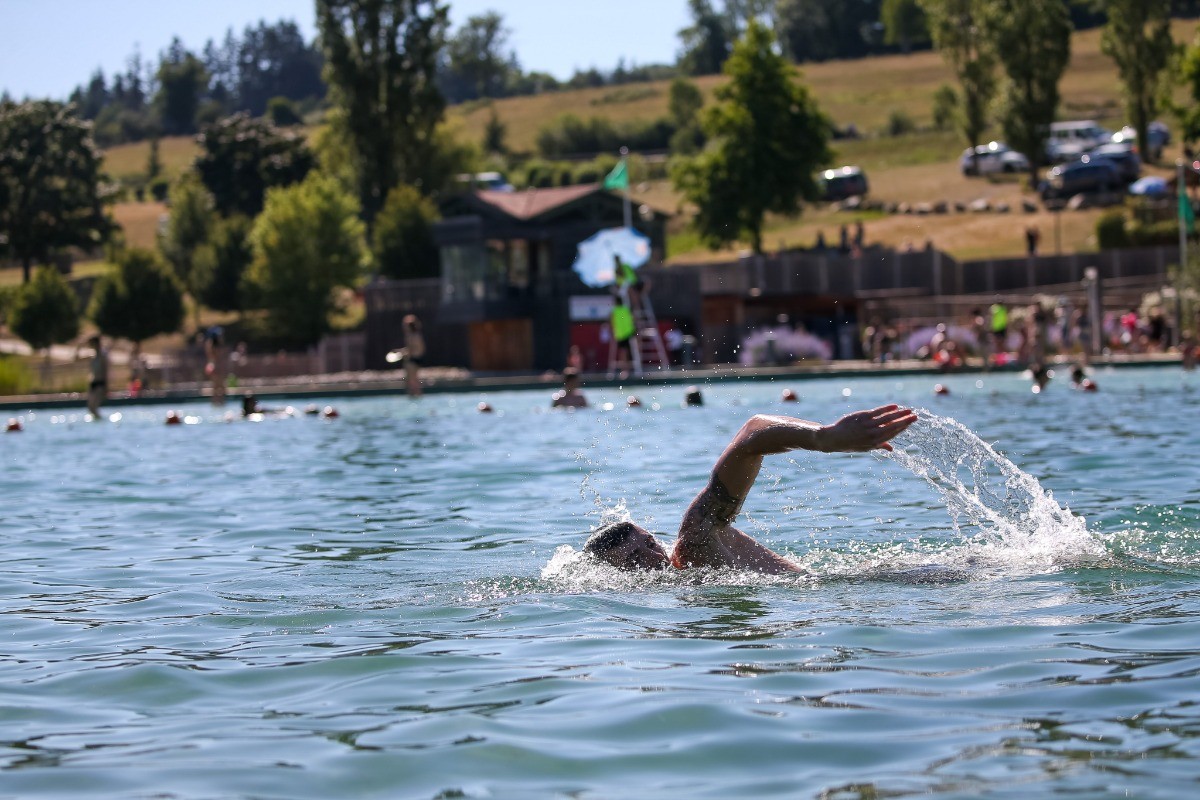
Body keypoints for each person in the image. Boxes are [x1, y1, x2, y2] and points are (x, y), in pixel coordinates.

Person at [583, 405, 918, 574]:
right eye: (635, 559)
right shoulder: (687, 582)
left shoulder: (694, 544)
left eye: (650, 543)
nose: (656, 556)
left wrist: (823, 438)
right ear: (613, 576)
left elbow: (752, 434)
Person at [387, 315, 426, 397]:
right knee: (415, 379)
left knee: (410, 380)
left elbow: (410, 350)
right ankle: (418, 394)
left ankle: (413, 395)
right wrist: (400, 351)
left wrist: (401, 354)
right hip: (418, 358)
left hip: (412, 360)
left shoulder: (410, 336)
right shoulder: (418, 335)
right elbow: (420, 349)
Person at [84, 335, 108, 419]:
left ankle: (100, 421)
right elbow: (75, 358)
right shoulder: (91, 355)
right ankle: (99, 420)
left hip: (100, 383)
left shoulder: (102, 356)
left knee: (94, 408)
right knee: (90, 408)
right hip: (92, 382)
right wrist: (79, 346)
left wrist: (106, 387)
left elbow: (105, 371)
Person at [204, 327, 227, 406]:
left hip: (213, 366)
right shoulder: (214, 346)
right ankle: (219, 403)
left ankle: (216, 403)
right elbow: (216, 358)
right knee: (219, 386)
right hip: (215, 367)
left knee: (217, 386)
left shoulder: (211, 345)